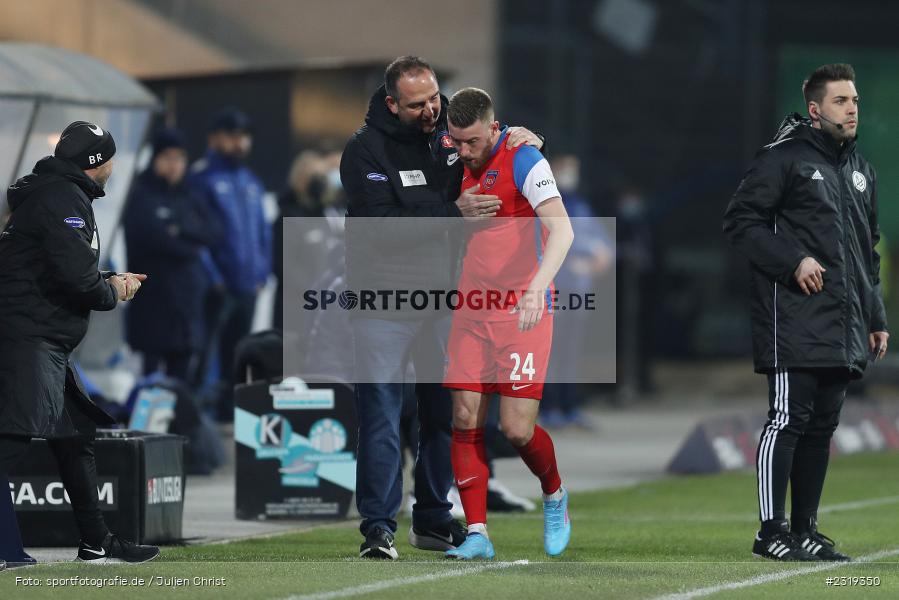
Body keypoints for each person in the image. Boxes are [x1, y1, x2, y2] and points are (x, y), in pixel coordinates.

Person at [339, 56, 544, 560]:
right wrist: (453, 214)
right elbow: (381, 229)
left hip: (447, 301)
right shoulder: (364, 150)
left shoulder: (451, 134)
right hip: (383, 301)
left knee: (445, 415)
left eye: (434, 97)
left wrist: (524, 144)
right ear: (392, 104)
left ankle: (431, 518)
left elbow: (498, 155)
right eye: (417, 104)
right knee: (384, 415)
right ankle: (379, 527)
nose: (431, 110)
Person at [723, 63, 887, 562]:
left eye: (855, 99)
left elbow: (867, 252)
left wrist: (876, 316)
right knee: (787, 421)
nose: (853, 107)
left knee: (821, 428)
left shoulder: (861, 170)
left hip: (844, 321)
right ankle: (769, 532)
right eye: (841, 101)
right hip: (793, 315)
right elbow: (741, 222)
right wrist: (792, 260)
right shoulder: (783, 159)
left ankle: (805, 529)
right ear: (816, 110)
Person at [0, 121, 159, 565]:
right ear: (97, 162)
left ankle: (96, 542)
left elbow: (64, 271)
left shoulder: (54, 195)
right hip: (30, 338)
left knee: (75, 437)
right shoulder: (63, 200)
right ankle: (4, 548)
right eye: (110, 155)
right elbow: (78, 282)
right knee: (9, 441)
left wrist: (107, 280)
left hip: (41, 336)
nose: (114, 163)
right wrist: (115, 290)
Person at [441, 87, 573, 560]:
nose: (464, 151)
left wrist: (538, 285)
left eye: (472, 142)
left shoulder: (524, 159)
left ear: (494, 128)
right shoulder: (451, 154)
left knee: (516, 429)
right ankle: (477, 531)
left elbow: (562, 229)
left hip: (522, 310)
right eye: (456, 141)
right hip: (471, 308)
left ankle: (555, 493)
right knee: (463, 417)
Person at [189, 108, 272, 418]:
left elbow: (262, 230)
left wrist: (263, 271)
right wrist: (213, 276)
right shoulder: (201, 179)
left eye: (244, 137)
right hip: (217, 285)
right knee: (206, 352)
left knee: (238, 353)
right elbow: (196, 235)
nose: (240, 143)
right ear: (215, 139)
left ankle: (228, 412)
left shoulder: (250, 181)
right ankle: (199, 415)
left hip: (248, 283)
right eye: (232, 136)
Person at [124, 128, 223, 383]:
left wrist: (180, 229)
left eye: (179, 158)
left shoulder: (190, 192)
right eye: (168, 157)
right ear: (155, 158)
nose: (174, 165)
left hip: (187, 301)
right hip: (154, 300)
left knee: (182, 375)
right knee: (151, 379)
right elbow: (154, 237)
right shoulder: (142, 195)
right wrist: (190, 243)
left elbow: (212, 229)